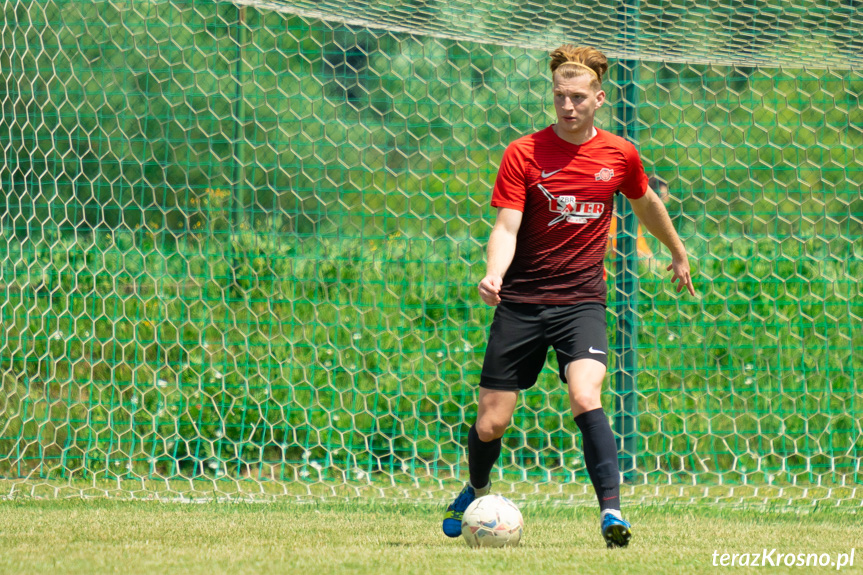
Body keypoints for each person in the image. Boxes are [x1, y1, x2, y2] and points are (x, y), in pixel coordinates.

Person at [441, 45, 695, 548]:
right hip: (522, 302)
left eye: (578, 97)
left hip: (581, 302)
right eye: (560, 95)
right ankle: (478, 487)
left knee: (585, 395)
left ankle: (611, 513)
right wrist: (494, 274)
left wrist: (678, 252)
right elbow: (507, 225)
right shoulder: (524, 152)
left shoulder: (619, 154)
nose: (568, 105)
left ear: (599, 98)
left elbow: (645, 204)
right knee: (491, 424)